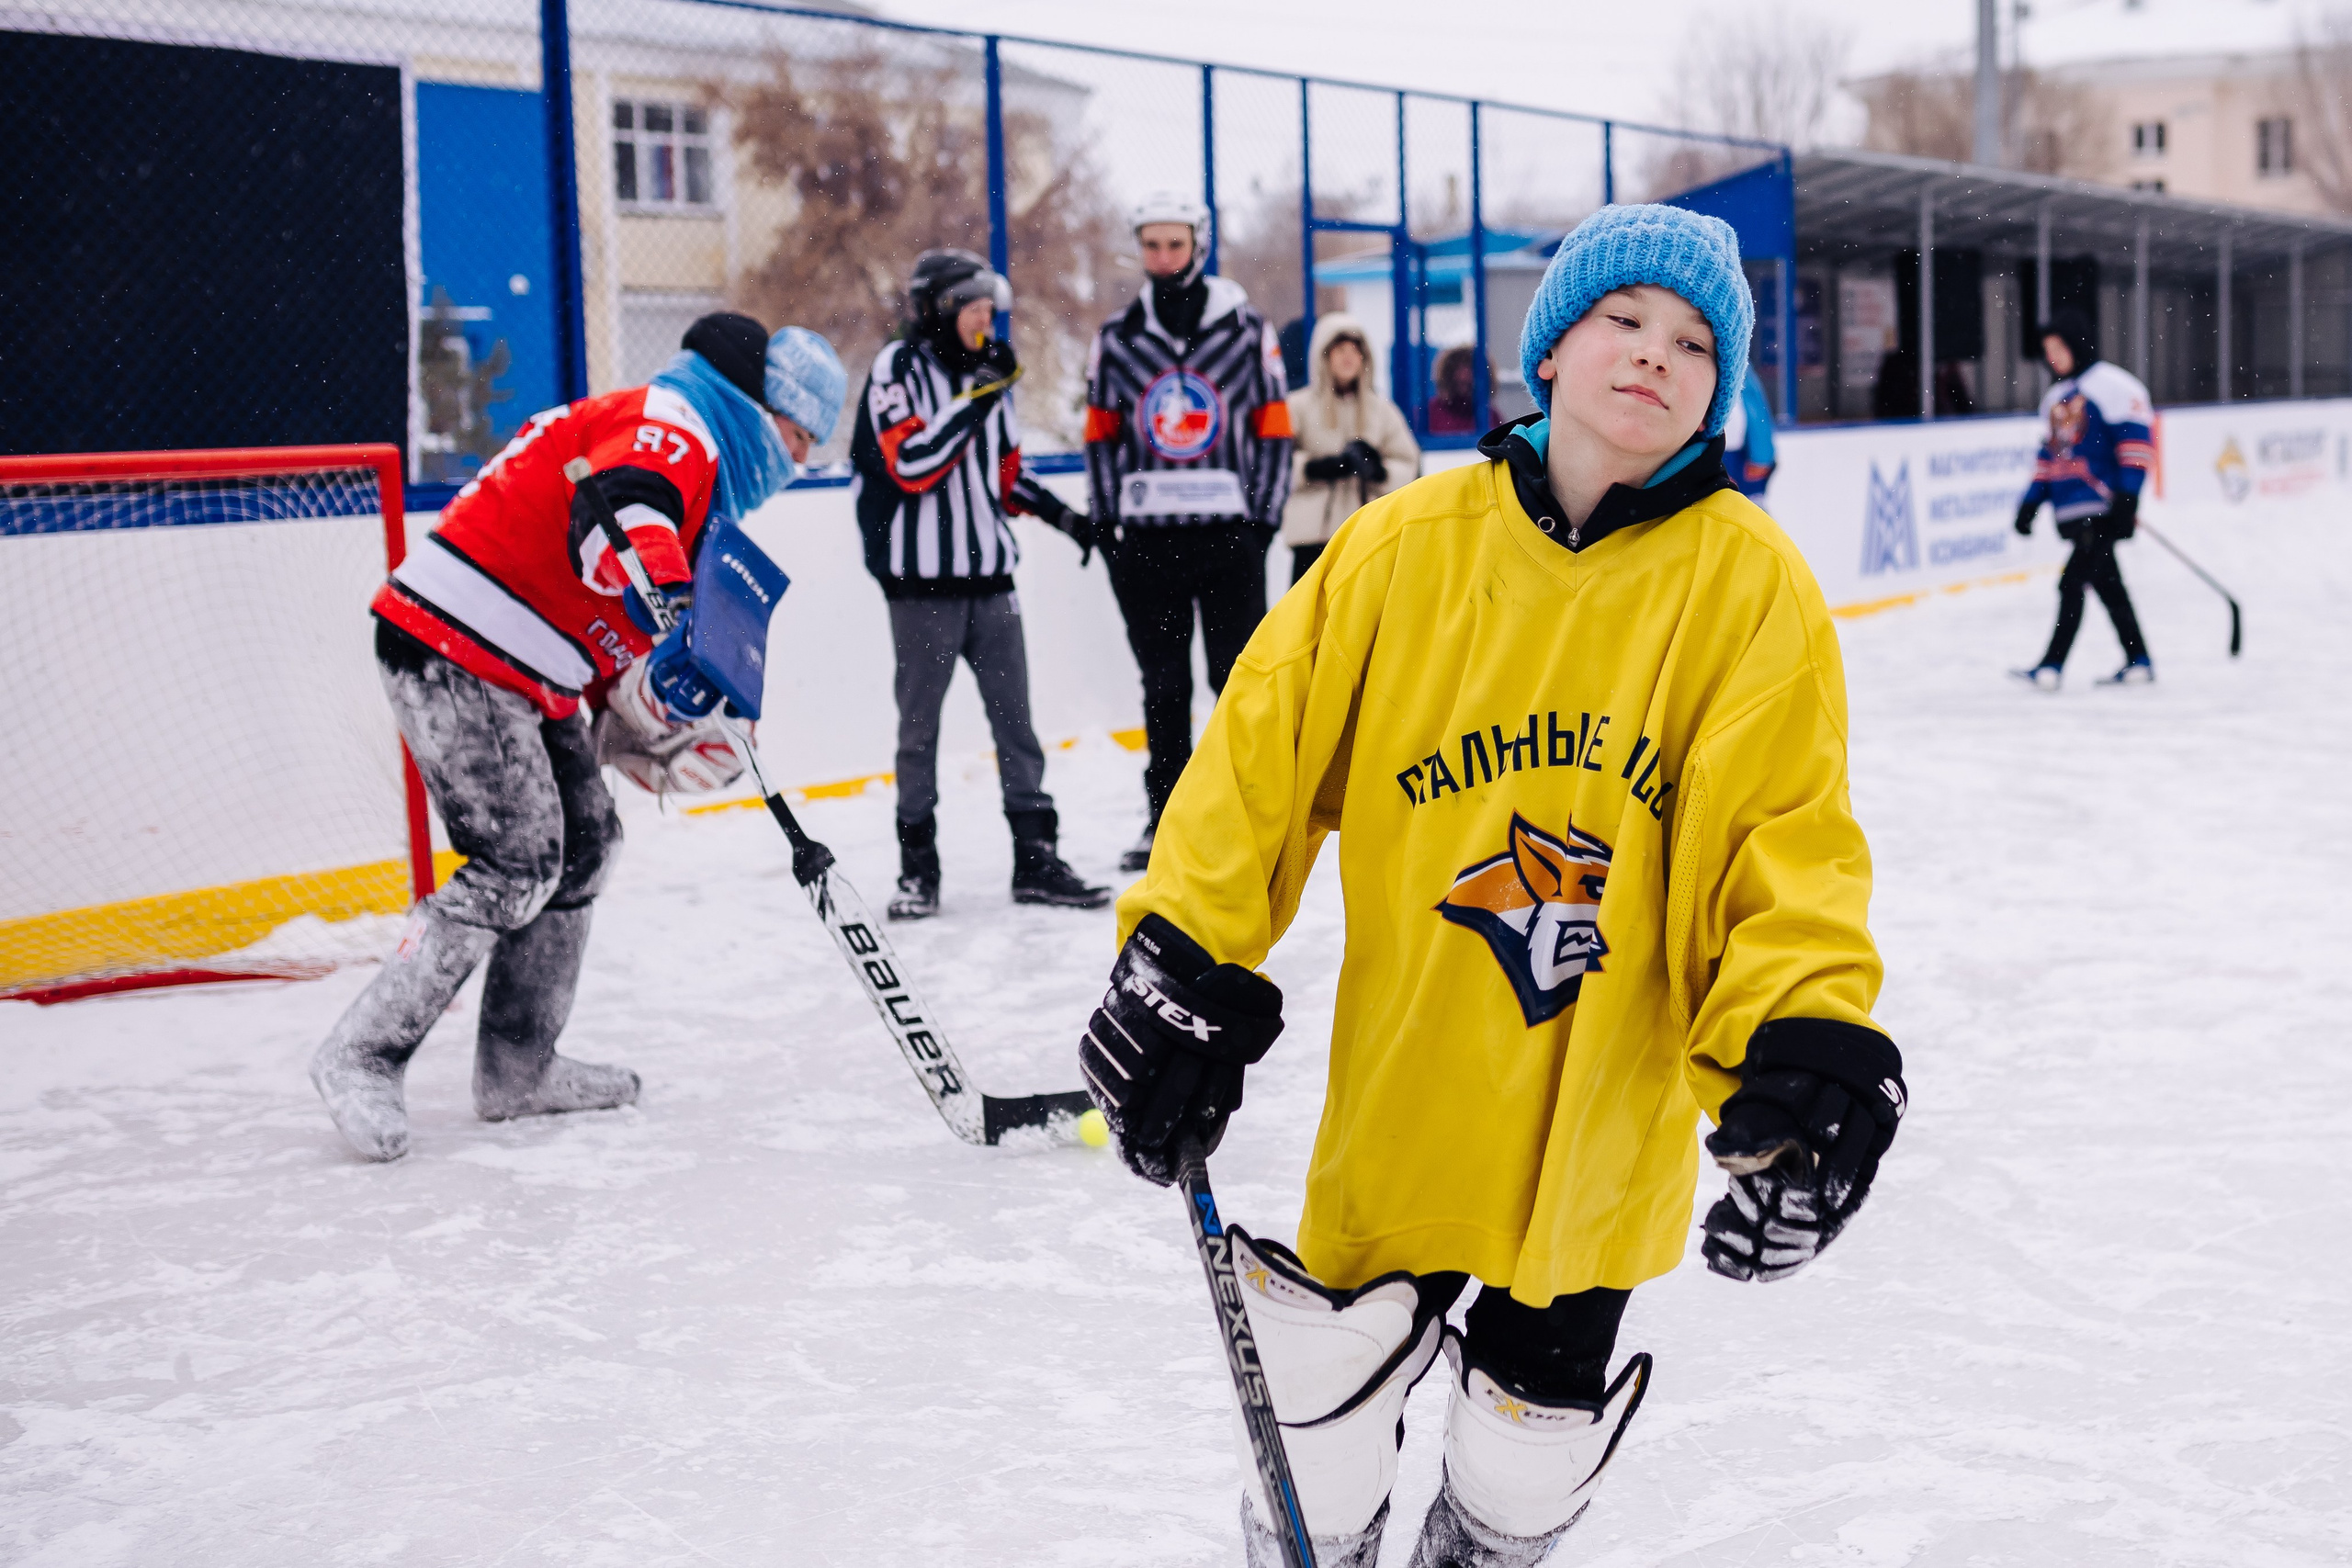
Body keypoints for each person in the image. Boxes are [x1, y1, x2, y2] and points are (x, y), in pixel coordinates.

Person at [1078, 206, 1905, 1568]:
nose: (1655, 356)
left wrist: (1807, 1040)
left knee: (1524, 1466)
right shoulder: (1409, 548)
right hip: (1410, 1100)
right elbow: (1255, 764)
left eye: (1697, 341)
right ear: (1553, 347)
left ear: (1724, 387)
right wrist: (1182, 948)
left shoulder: (1751, 587)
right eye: (1622, 320)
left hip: (1598, 1133)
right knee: (1319, 1456)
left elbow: (1783, 842)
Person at [313, 312, 848, 1162]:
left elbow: (610, 643)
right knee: (517, 858)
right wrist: (674, 608)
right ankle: (364, 1049)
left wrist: (651, 727)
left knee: (588, 844)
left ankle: (519, 1067)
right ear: (759, 409)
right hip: (459, 644)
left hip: (527, 668)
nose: (801, 461)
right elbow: (626, 516)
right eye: (796, 435)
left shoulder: (702, 484)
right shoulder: (677, 426)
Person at [849, 248, 1109, 920]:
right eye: (974, 309)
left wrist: (1070, 520)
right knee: (920, 733)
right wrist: (976, 399)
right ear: (938, 309)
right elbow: (911, 462)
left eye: (991, 311)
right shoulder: (896, 371)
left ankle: (1037, 857)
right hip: (922, 589)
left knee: (1017, 724)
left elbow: (1003, 475)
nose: (986, 322)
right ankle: (918, 868)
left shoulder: (988, 376)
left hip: (993, 580)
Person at [1083, 192, 1295, 873]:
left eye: (1175, 245)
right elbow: (1101, 434)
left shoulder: (1244, 328)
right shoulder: (1116, 338)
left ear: (1198, 246)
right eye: (1152, 245)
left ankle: (1242, 813)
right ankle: (1165, 817)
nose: (1164, 258)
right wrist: (1108, 519)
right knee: (1164, 686)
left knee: (1235, 681)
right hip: (1147, 542)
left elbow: (1272, 424)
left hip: (1229, 536)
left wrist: (1263, 518)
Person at [2010, 308, 2155, 689]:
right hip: (2072, 511)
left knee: (2071, 584)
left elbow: (2137, 445)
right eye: (2047, 349)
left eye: (2058, 347)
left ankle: (2051, 666)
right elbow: (2048, 458)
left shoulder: (2114, 386)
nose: (2052, 356)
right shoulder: (2055, 397)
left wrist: (2128, 497)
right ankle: (2138, 659)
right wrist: (2031, 502)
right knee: (2108, 585)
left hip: (2102, 509)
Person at [1283, 313, 1420, 583]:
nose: (1348, 357)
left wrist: (1379, 471)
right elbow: (1273, 464)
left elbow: (1409, 463)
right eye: (1339, 349)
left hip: (1368, 535)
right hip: (1313, 538)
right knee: (1311, 618)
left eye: (1355, 350)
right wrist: (1313, 467)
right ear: (1324, 356)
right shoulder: (1297, 407)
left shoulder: (1381, 411)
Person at [1722, 363, 1776, 499]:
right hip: (1707, 455)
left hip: (1739, 456)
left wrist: (1761, 457)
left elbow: (1756, 410)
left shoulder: (1736, 362)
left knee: (1749, 510)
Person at [1426, 343, 1480, 435]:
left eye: (1470, 368)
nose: (1464, 376)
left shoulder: (1490, 416)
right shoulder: (1427, 414)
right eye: (1458, 369)